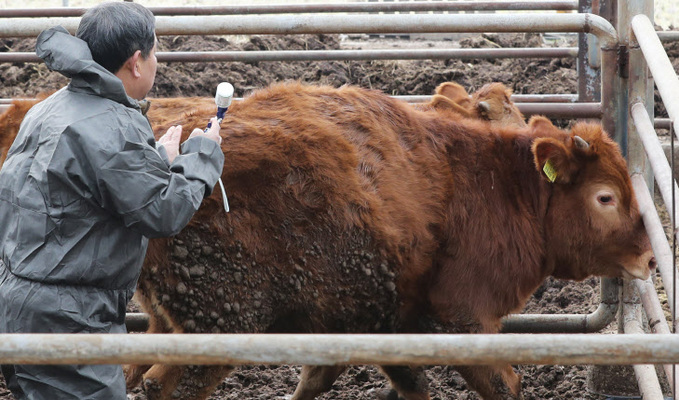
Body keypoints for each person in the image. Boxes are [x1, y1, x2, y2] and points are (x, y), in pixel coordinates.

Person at [0, 2, 224, 399]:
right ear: (136, 62)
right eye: (155, 51)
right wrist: (202, 156)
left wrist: (154, 161)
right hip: (70, 319)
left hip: (17, 301)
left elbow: (75, 193)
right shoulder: (114, 124)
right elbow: (163, 213)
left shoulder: (48, 109)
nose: (158, 61)